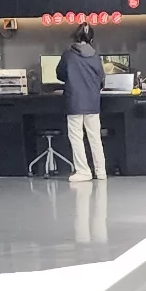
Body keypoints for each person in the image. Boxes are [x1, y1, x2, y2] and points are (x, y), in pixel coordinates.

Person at [61, 23, 106, 182]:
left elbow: (60, 74)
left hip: (74, 102)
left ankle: (83, 171)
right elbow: (101, 78)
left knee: (76, 137)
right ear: (91, 39)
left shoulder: (68, 54)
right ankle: (101, 171)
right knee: (95, 138)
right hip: (92, 102)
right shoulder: (95, 55)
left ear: (75, 37)